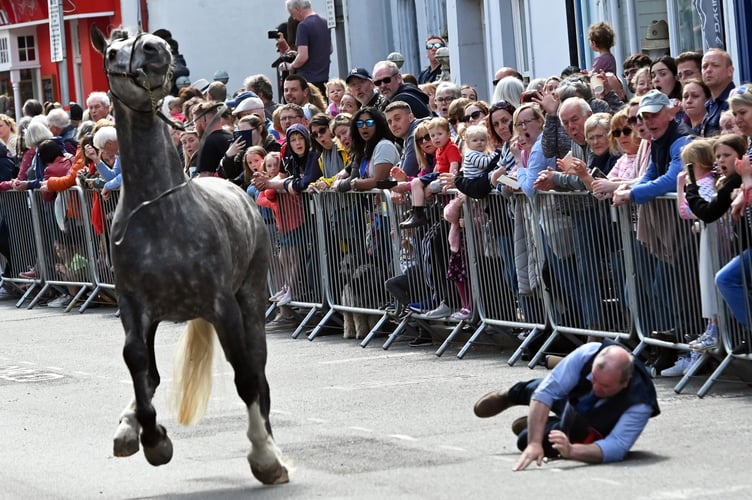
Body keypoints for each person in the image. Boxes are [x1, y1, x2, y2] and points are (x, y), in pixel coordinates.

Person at [473, 340, 660, 469]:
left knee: (524, 440)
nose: (595, 387)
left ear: (625, 382)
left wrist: (571, 451)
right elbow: (546, 392)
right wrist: (534, 443)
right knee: (540, 391)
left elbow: (617, 446)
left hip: (593, 423)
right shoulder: (587, 353)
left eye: (605, 385)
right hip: (570, 397)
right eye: (594, 379)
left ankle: (542, 422)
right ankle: (511, 395)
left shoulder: (640, 400)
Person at [400, 117, 461, 228]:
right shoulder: (439, 150)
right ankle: (416, 212)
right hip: (438, 177)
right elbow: (436, 168)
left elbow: (454, 165)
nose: (425, 141)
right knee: (416, 182)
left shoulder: (451, 147)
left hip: (445, 179)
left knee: (416, 183)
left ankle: (418, 214)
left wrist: (450, 180)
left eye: (428, 137)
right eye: (432, 136)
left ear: (448, 134)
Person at [280, 0, 332, 96]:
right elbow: (329, 49)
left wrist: (291, 66)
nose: (293, 18)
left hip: (307, 80)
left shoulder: (303, 26)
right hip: (324, 77)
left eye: (292, 13)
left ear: (297, 9)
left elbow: (303, 57)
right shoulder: (325, 22)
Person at [700, 48, 736, 137]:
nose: (708, 70)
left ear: (730, 71)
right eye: (704, 67)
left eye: (715, 65)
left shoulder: (735, 103)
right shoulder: (709, 105)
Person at [192, 101, 233, 178]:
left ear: (204, 121)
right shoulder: (231, 136)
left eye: (195, 122)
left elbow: (205, 177)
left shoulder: (208, 142)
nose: (195, 127)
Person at [384, 101, 420, 177]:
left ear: (410, 117)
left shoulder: (416, 133)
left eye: (397, 119)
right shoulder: (407, 136)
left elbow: (406, 174)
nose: (393, 125)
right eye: (389, 122)